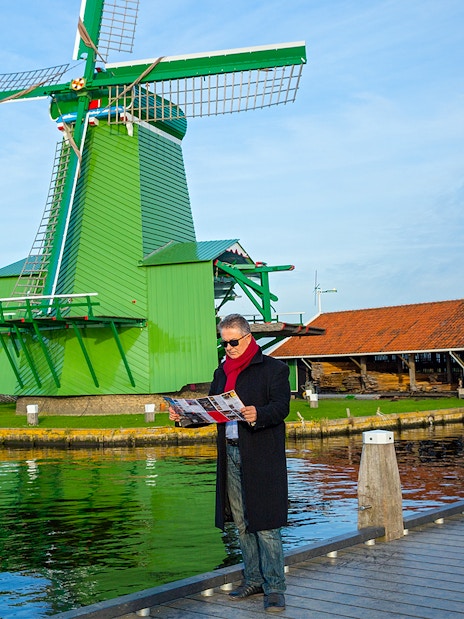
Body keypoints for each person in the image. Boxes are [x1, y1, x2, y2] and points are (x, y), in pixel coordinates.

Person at [169, 313, 290, 612]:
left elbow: (281, 408)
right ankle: (252, 580)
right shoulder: (221, 372)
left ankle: (275, 587)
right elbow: (212, 412)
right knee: (241, 521)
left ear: (249, 337)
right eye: (224, 343)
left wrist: (258, 414)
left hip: (261, 455)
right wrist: (184, 419)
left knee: (266, 523)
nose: (229, 348)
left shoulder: (274, 369)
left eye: (234, 342)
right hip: (230, 452)